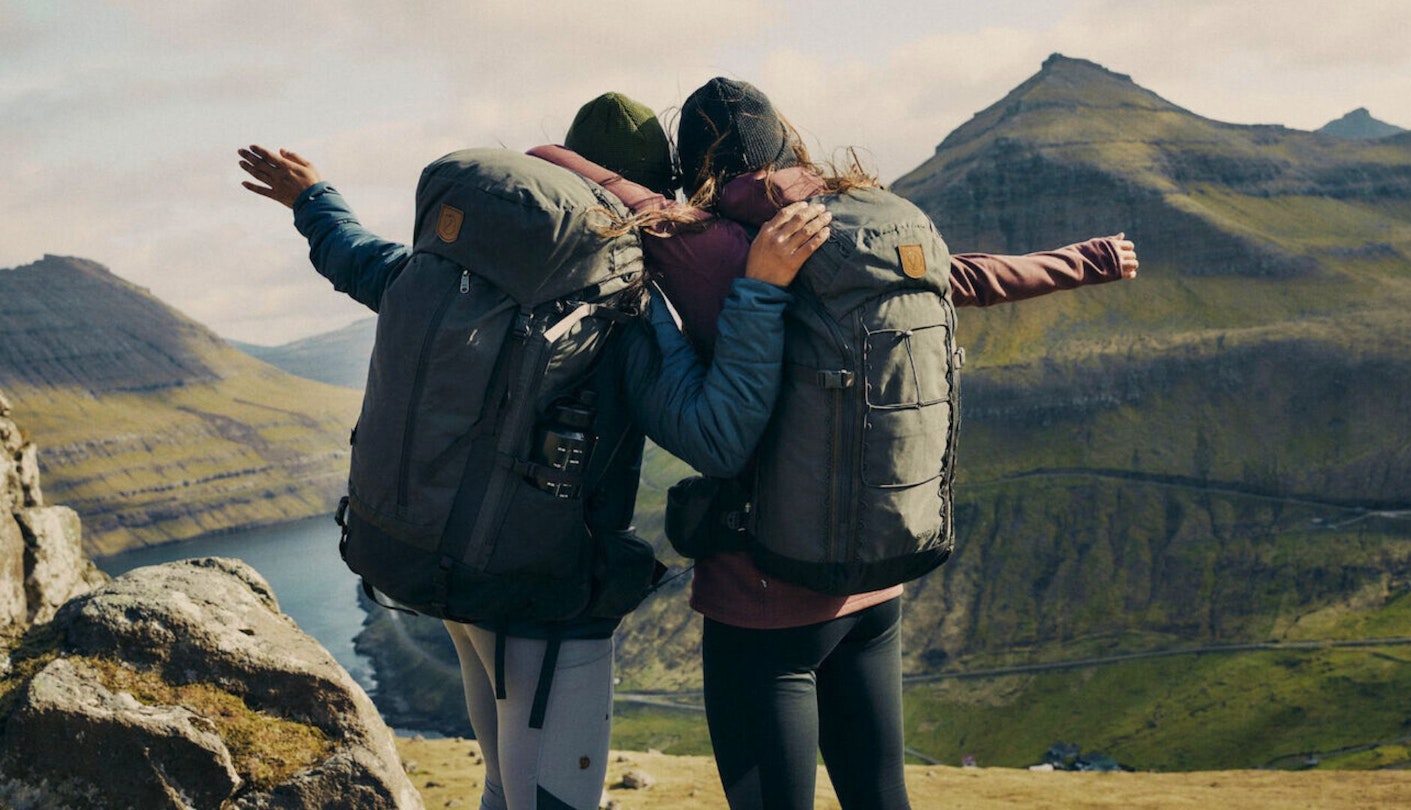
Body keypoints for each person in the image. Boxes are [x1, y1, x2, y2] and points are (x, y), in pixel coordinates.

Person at [550, 79, 1136, 810]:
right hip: (874, 589)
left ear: (700, 167)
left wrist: (556, 157)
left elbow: (633, 209)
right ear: (789, 144)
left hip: (764, 600)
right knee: (881, 799)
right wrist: (1092, 260)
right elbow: (972, 277)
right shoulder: (865, 232)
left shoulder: (716, 250)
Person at [237, 119, 831, 810]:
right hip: (543, 603)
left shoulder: (456, 273)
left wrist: (313, 199)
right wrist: (761, 290)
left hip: (448, 573)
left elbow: (356, 256)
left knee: (502, 783)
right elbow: (718, 438)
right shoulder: (622, 312)